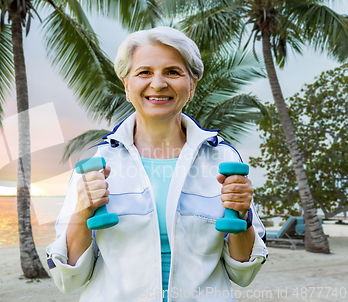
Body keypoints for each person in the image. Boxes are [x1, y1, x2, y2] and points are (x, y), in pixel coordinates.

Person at [46, 26, 268, 302]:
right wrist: (81, 213)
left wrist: (243, 216)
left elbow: (243, 273)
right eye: (144, 73)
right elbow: (69, 280)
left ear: (192, 85)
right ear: (127, 86)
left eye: (173, 72)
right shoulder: (95, 163)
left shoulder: (224, 160)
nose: (159, 83)